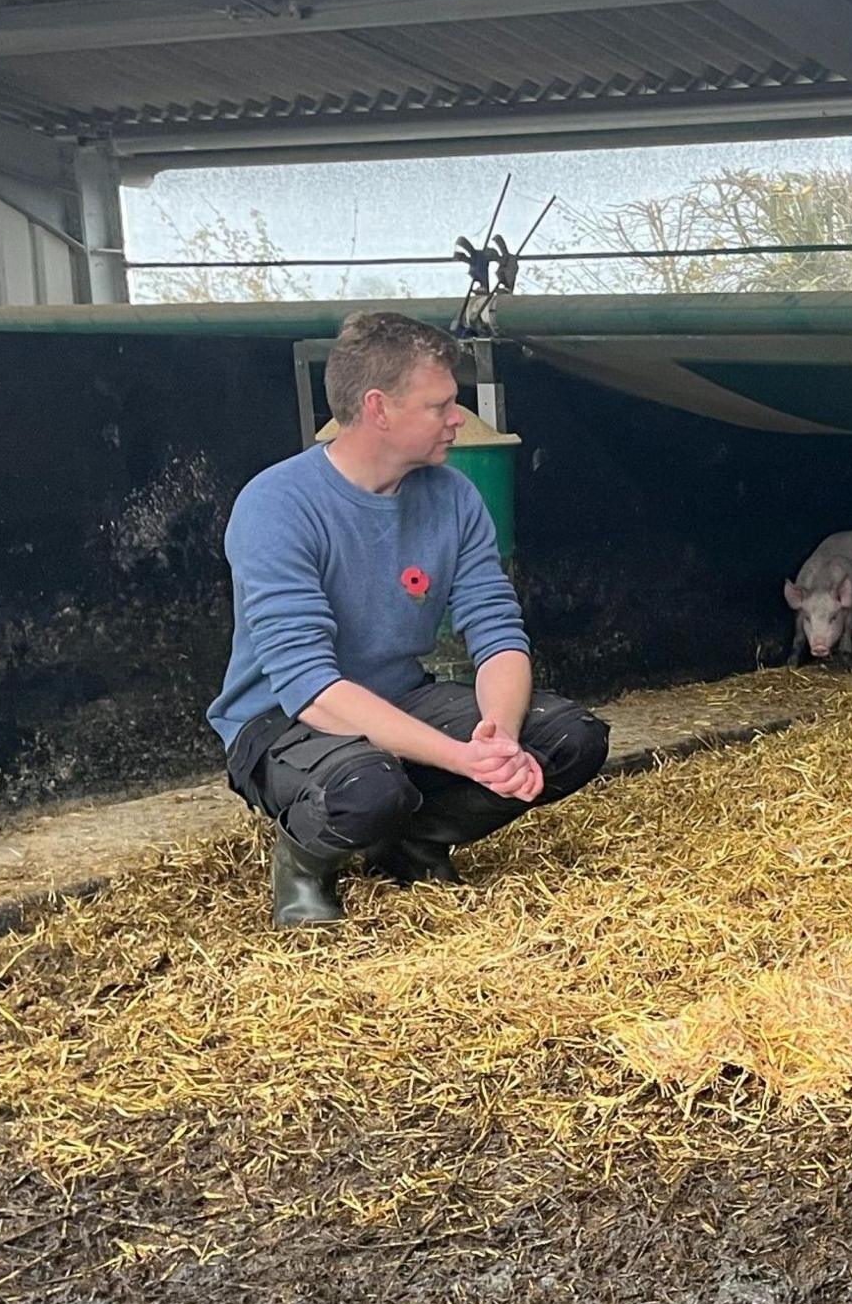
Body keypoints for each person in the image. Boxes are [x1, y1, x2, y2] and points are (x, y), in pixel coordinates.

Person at [208, 312, 610, 928]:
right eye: (440, 404)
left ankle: (412, 841)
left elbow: (497, 631)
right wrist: (458, 757)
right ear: (379, 409)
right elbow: (311, 688)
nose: (457, 418)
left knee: (570, 739)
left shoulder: (452, 495)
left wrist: (496, 739)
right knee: (368, 790)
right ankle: (303, 862)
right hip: (280, 720)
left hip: (398, 694)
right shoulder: (277, 505)